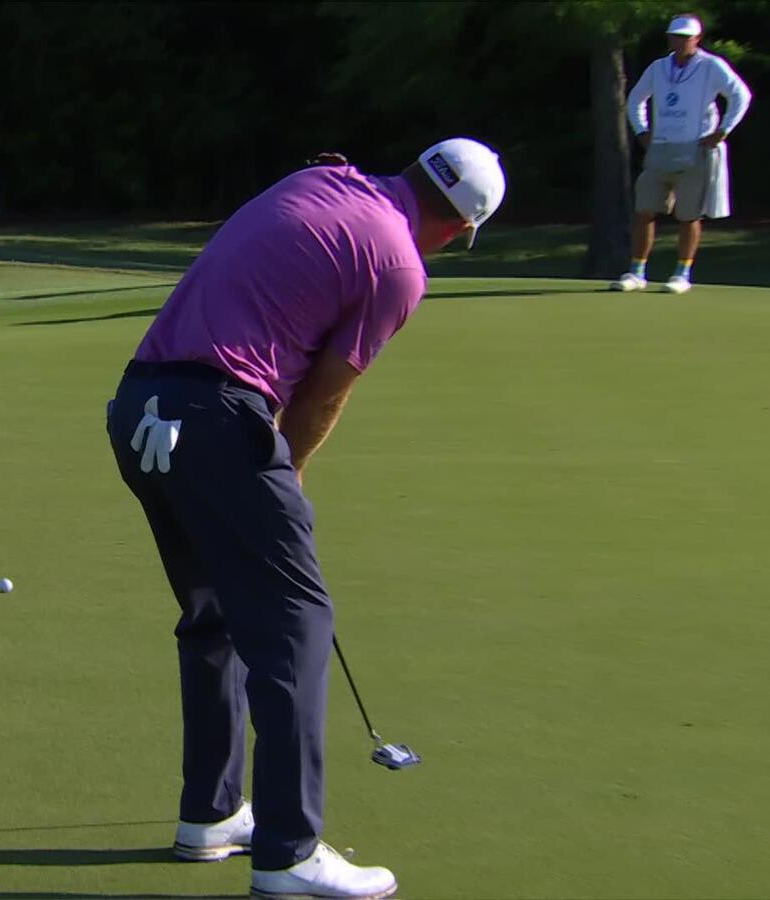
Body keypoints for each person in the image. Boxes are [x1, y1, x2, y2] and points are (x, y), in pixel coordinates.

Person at [106, 138, 505, 899]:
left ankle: (213, 814)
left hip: (137, 407)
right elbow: (323, 394)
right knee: (297, 624)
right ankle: (289, 852)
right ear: (458, 228)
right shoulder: (401, 266)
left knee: (214, 613)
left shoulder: (321, 177)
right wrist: (283, 479)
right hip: (220, 415)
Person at [614, 13, 752, 294]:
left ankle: (681, 273)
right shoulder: (658, 68)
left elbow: (740, 95)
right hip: (661, 147)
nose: (680, 41)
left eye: (686, 37)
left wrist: (722, 130)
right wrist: (642, 131)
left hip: (695, 148)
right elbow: (636, 99)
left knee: (688, 215)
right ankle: (637, 271)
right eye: (676, 36)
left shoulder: (712, 66)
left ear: (697, 39)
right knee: (644, 211)